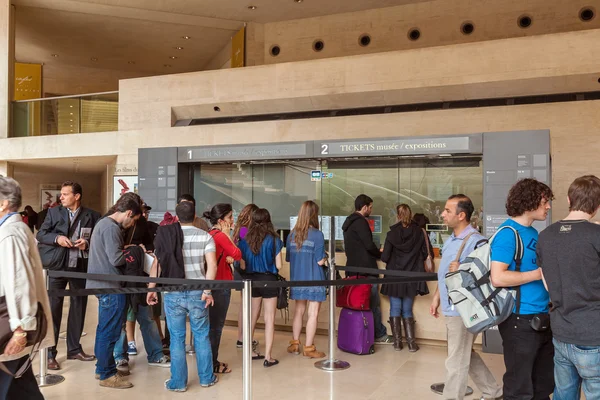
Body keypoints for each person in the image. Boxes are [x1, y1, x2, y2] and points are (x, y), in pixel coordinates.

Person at [430, 194, 502, 400]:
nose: (442, 214)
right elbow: (445, 274)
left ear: (461, 215)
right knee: (464, 354)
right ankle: (493, 391)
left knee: (456, 359)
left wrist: (462, 268)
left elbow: (489, 274)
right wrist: (437, 296)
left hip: (463, 309)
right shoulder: (451, 240)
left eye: (447, 211)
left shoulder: (476, 242)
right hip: (451, 306)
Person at [490, 179, 554, 400]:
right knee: (519, 388)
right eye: (545, 202)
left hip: (542, 316)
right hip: (520, 320)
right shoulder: (508, 233)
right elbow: (497, 277)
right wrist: (538, 274)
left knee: (542, 385)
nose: (548, 207)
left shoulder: (534, 234)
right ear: (530, 201)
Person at [537, 176, 600, 399]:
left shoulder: (544, 236)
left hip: (561, 332)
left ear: (568, 199)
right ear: (597, 204)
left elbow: (547, 283)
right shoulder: (596, 235)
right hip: (594, 335)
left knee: (564, 394)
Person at [148, 201, 219, 391]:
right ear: (195, 216)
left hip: (173, 292)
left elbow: (158, 264)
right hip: (198, 291)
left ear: (176, 217)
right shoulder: (205, 236)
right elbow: (212, 266)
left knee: (177, 338)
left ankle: (178, 382)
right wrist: (207, 291)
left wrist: (151, 288)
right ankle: (206, 378)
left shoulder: (167, 235)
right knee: (202, 336)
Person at [36, 180, 100, 370]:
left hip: (79, 266)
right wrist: (58, 239)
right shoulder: (53, 212)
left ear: (76, 196)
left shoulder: (93, 215)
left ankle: (74, 349)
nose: (61, 197)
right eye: (61, 194)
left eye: (65, 194)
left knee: (79, 308)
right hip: (56, 267)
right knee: (53, 310)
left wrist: (86, 244)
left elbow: (97, 238)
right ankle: (50, 354)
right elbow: (41, 235)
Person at [0, 177, 53, 400]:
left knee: (14, 384)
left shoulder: (10, 233)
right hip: (11, 323)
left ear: (3, 203)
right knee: (20, 386)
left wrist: (20, 330)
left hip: (10, 326)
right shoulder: (12, 228)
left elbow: (18, 281)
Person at [86, 192, 143, 389]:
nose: (132, 224)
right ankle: (106, 374)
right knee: (110, 331)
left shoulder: (103, 223)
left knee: (105, 328)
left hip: (102, 284)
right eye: (134, 219)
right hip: (110, 286)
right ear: (128, 213)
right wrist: (135, 250)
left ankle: (102, 367)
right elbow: (116, 259)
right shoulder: (111, 228)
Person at [342, 194, 391, 344]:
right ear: (364, 207)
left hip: (352, 268)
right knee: (372, 303)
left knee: (356, 303)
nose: (371, 210)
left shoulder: (348, 222)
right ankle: (379, 334)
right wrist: (379, 253)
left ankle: (361, 332)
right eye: (370, 207)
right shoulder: (361, 222)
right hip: (366, 270)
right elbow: (369, 245)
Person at [381, 204, 429, 352]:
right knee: (407, 309)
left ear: (398, 215)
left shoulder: (391, 234)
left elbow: (385, 257)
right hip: (411, 275)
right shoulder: (419, 233)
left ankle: (397, 343)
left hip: (394, 275)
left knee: (395, 308)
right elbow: (425, 253)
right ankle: (411, 344)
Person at [238, 208, 283, 367]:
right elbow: (279, 265)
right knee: (269, 319)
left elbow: (242, 265)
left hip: (251, 280)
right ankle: (268, 357)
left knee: (252, 317)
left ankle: (248, 350)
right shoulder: (275, 240)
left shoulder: (244, 240)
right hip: (269, 279)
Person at [286, 201, 327, 359]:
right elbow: (319, 261)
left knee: (299, 311)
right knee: (313, 313)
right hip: (314, 279)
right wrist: (325, 257)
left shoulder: (291, 234)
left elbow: (289, 258)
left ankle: (295, 344)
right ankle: (309, 348)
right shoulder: (317, 234)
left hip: (297, 279)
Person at [203, 203, 242, 374]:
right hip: (221, 285)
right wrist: (228, 235)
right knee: (216, 327)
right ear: (221, 220)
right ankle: (212, 363)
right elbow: (237, 254)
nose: (233, 220)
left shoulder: (209, 234)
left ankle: (209, 362)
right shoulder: (220, 235)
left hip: (211, 285)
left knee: (209, 326)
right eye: (230, 217)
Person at [233, 203, 259, 348]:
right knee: (250, 305)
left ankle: (241, 337)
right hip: (247, 269)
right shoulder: (245, 231)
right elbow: (247, 248)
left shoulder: (238, 229)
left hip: (239, 270)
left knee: (244, 304)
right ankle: (245, 338)